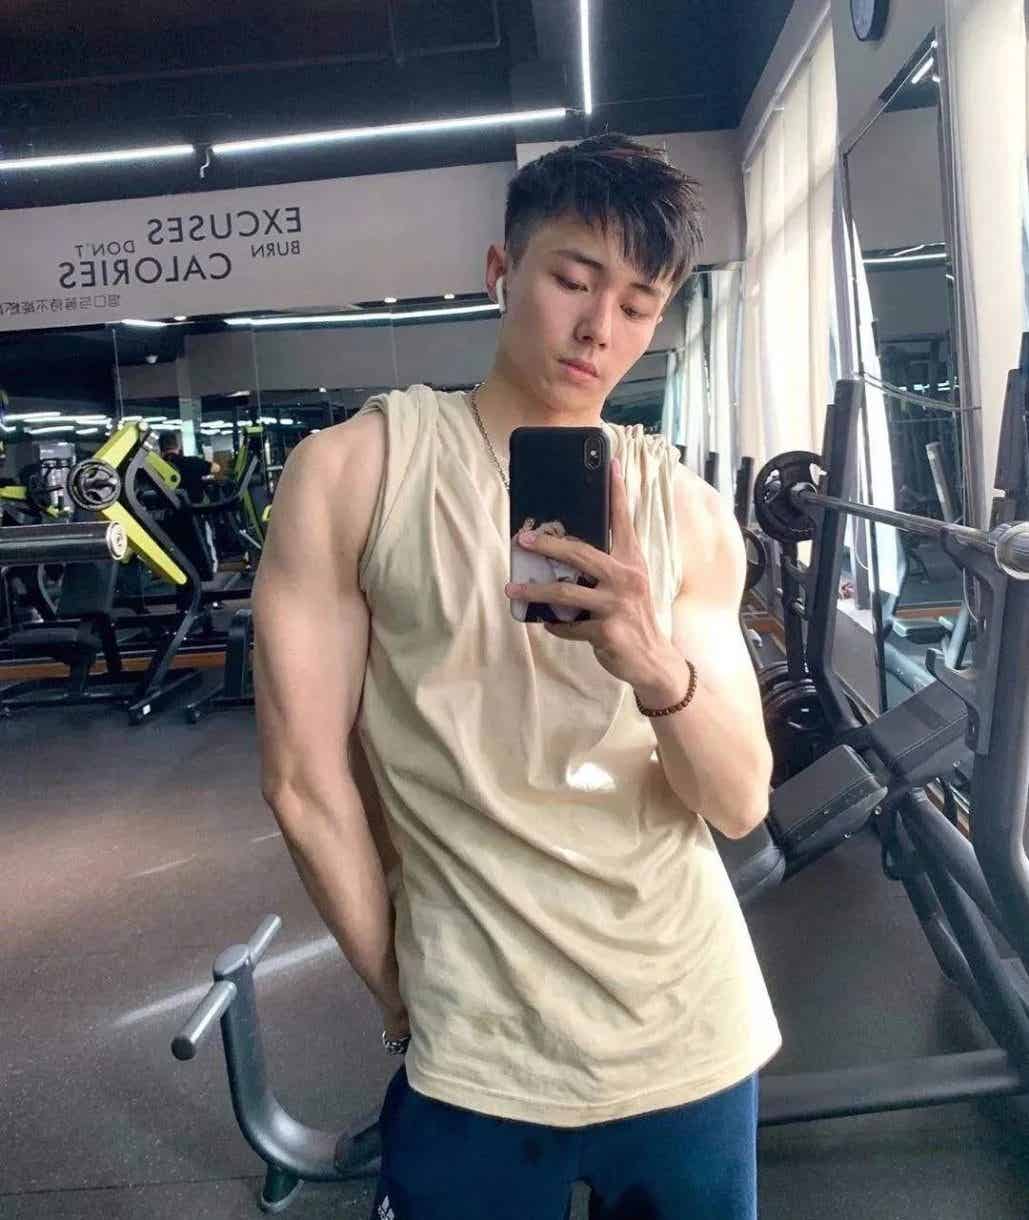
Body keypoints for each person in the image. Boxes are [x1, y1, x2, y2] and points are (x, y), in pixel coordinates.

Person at [253, 133, 781, 1220]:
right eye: (573, 280)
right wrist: (402, 996)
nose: (599, 328)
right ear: (503, 270)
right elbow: (304, 782)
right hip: (473, 1053)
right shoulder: (357, 471)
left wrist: (652, 662)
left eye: (637, 304)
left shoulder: (687, 513)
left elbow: (736, 802)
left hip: (690, 1029)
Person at [158, 430, 221, 573]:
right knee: (202, 543)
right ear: (178, 446)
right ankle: (210, 572)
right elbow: (216, 468)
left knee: (176, 548)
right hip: (195, 513)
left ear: (160, 449)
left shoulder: (155, 468)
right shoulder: (191, 462)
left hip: (168, 517)